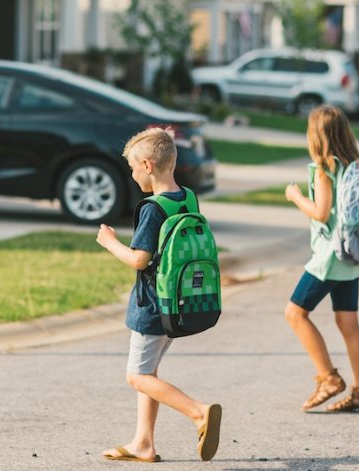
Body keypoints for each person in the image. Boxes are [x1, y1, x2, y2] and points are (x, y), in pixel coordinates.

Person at [96, 127, 222, 463]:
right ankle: (143, 443)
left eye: (134, 168)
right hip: (177, 301)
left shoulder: (152, 208)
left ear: (148, 166)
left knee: (137, 376)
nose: (133, 175)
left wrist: (110, 243)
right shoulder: (188, 197)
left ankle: (198, 412)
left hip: (150, 305)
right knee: (148, 373)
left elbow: (139, 259)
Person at [283, 105, 359, 412]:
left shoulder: (323, 168)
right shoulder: (355, 165)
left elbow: (321, 213)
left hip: (329, 257)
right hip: (352, 253)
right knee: (348, 321)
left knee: (295, 313)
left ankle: (328, 377)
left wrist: (296, 196)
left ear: (315, 136)